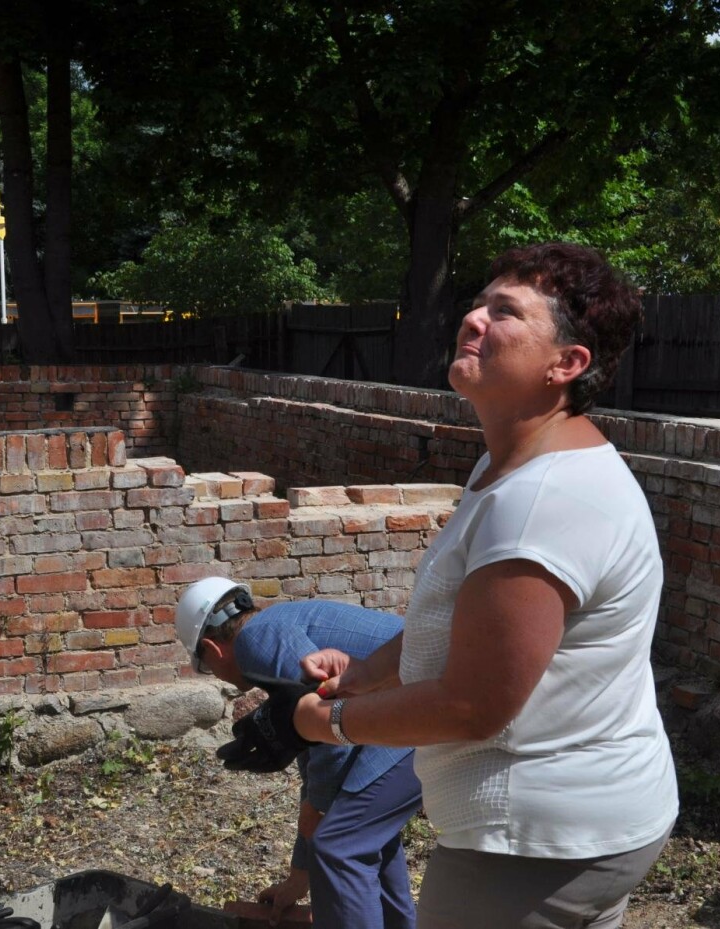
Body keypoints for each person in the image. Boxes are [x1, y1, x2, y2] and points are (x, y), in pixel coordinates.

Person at [246, 243, 678, 929]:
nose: (473, 318)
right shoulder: (508, 466)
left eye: (505, 312)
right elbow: (461, 632)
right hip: (589, 821)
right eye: (479, 302)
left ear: (566, 365)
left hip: (533, 844)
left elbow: (475, 704)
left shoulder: (541, 502)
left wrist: (321, 722)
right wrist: (366, 672)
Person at [175, 577, 423, 929]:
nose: (215, 674)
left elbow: (330, 725)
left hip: (413, 713)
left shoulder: (255, 641)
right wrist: (298, 876)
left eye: (205, 667)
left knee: (341, 847)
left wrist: (317, 807)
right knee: (363, 833)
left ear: (213, 650)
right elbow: (311, 744)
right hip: (412, 709)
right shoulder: (276, 625)